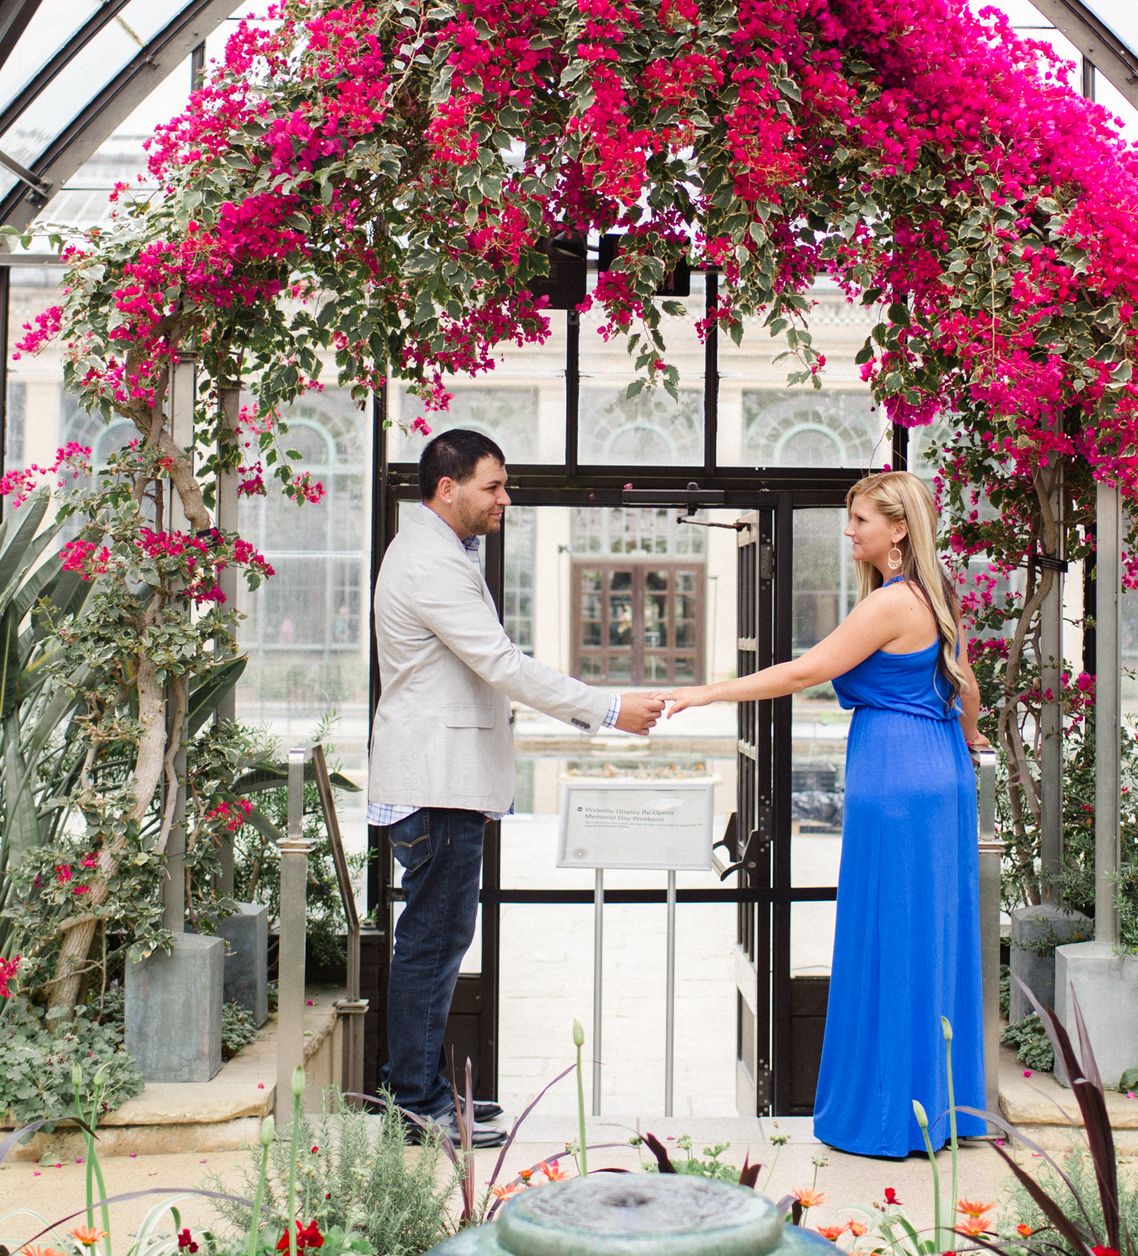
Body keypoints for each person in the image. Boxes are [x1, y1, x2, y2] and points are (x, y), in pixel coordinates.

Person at [656, 469, 989, 1157]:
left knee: (891, 936)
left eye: (860, 519)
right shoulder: (934, 595)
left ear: (898, 529)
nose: (849, 530)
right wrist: (970, 739)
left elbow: (805, 671)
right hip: (937, 769)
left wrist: (709, 691)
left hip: (897, 773)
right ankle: (936, 1107)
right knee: (928, 935)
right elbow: (968, 686)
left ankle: (890, 1113)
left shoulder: (892, 603)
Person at [367, 427, 666, 1146]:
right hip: (437, 787)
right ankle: (417, 1106)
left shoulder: (442, 553)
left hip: (443, 783)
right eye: (493, 486)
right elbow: (501, 662)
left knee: (435, 943)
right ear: (449, 488)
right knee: (432, 947)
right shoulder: (430, 563)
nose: (506, 498)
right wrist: (608, 707)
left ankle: (427, 1092)